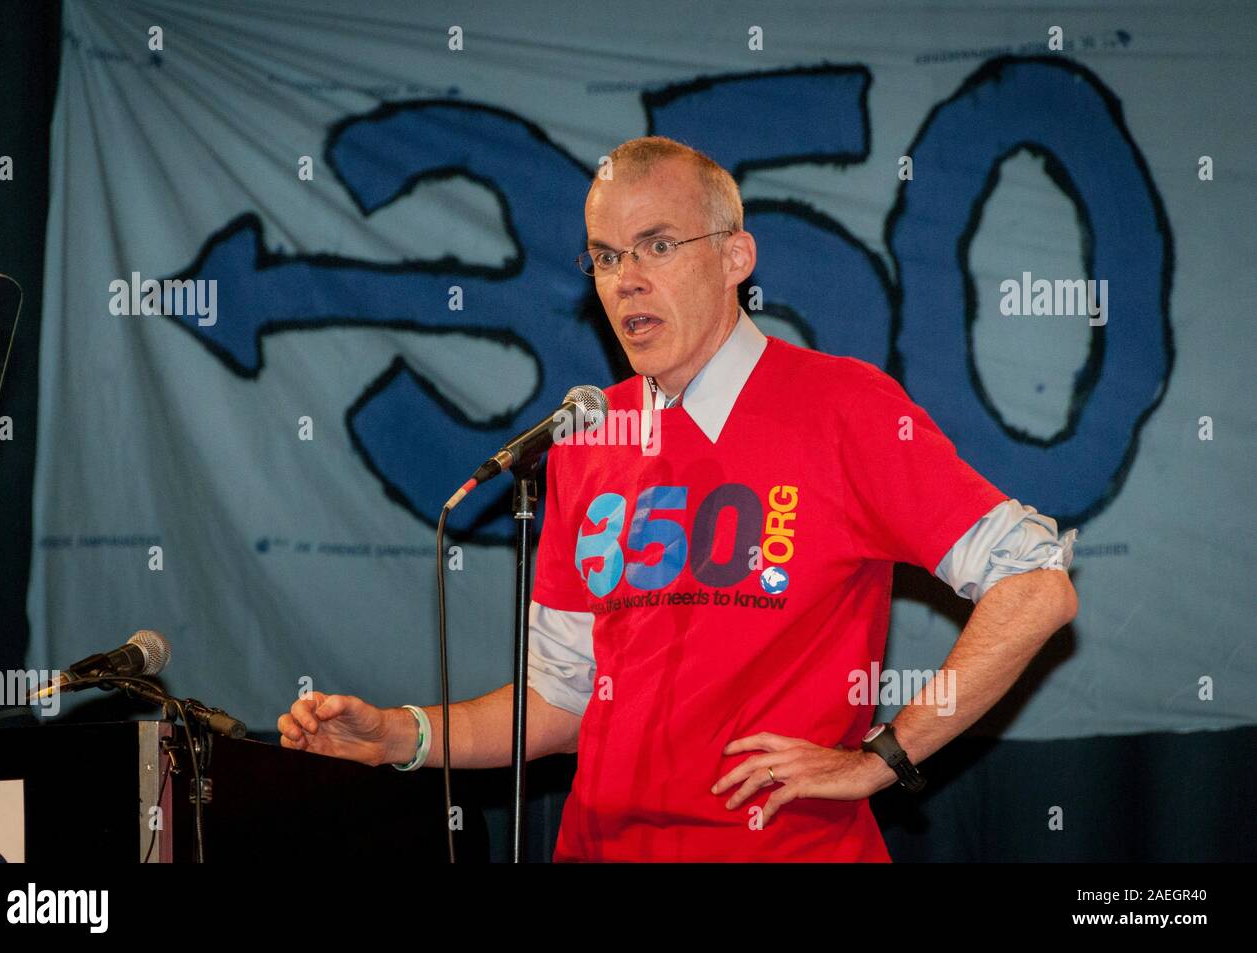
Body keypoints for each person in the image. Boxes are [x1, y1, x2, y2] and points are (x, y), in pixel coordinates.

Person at [278, 136, 1079, 862]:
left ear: (736, 256)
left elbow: (1036, 583)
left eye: (657, 246)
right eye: (603, 256)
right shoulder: (586, 434)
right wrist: (397, 735)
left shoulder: (846, 409)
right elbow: (560, 702)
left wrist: (888, 754)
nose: (627, 279)